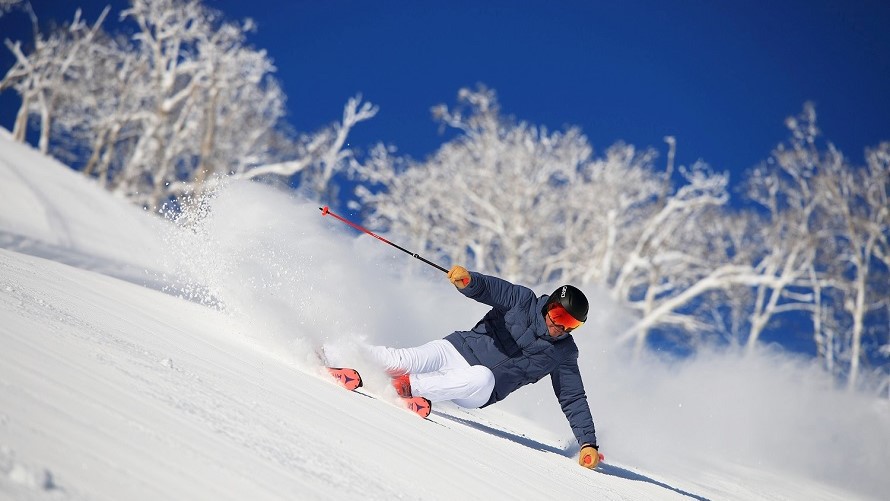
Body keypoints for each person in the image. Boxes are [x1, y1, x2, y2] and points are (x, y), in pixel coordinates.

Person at [368, 264, 600, 469]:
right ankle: (343, 353)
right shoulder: (522, 300)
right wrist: (470, 282)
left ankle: (405, 387)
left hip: (479, 390)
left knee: (481, 376)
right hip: (456, 349)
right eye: (559, 315)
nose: (561, 326)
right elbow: (491, 289)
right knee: (401, 360)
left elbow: (573, 397)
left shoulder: (563, 353)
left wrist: (588, 443)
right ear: (550, 305)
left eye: (571, 323)